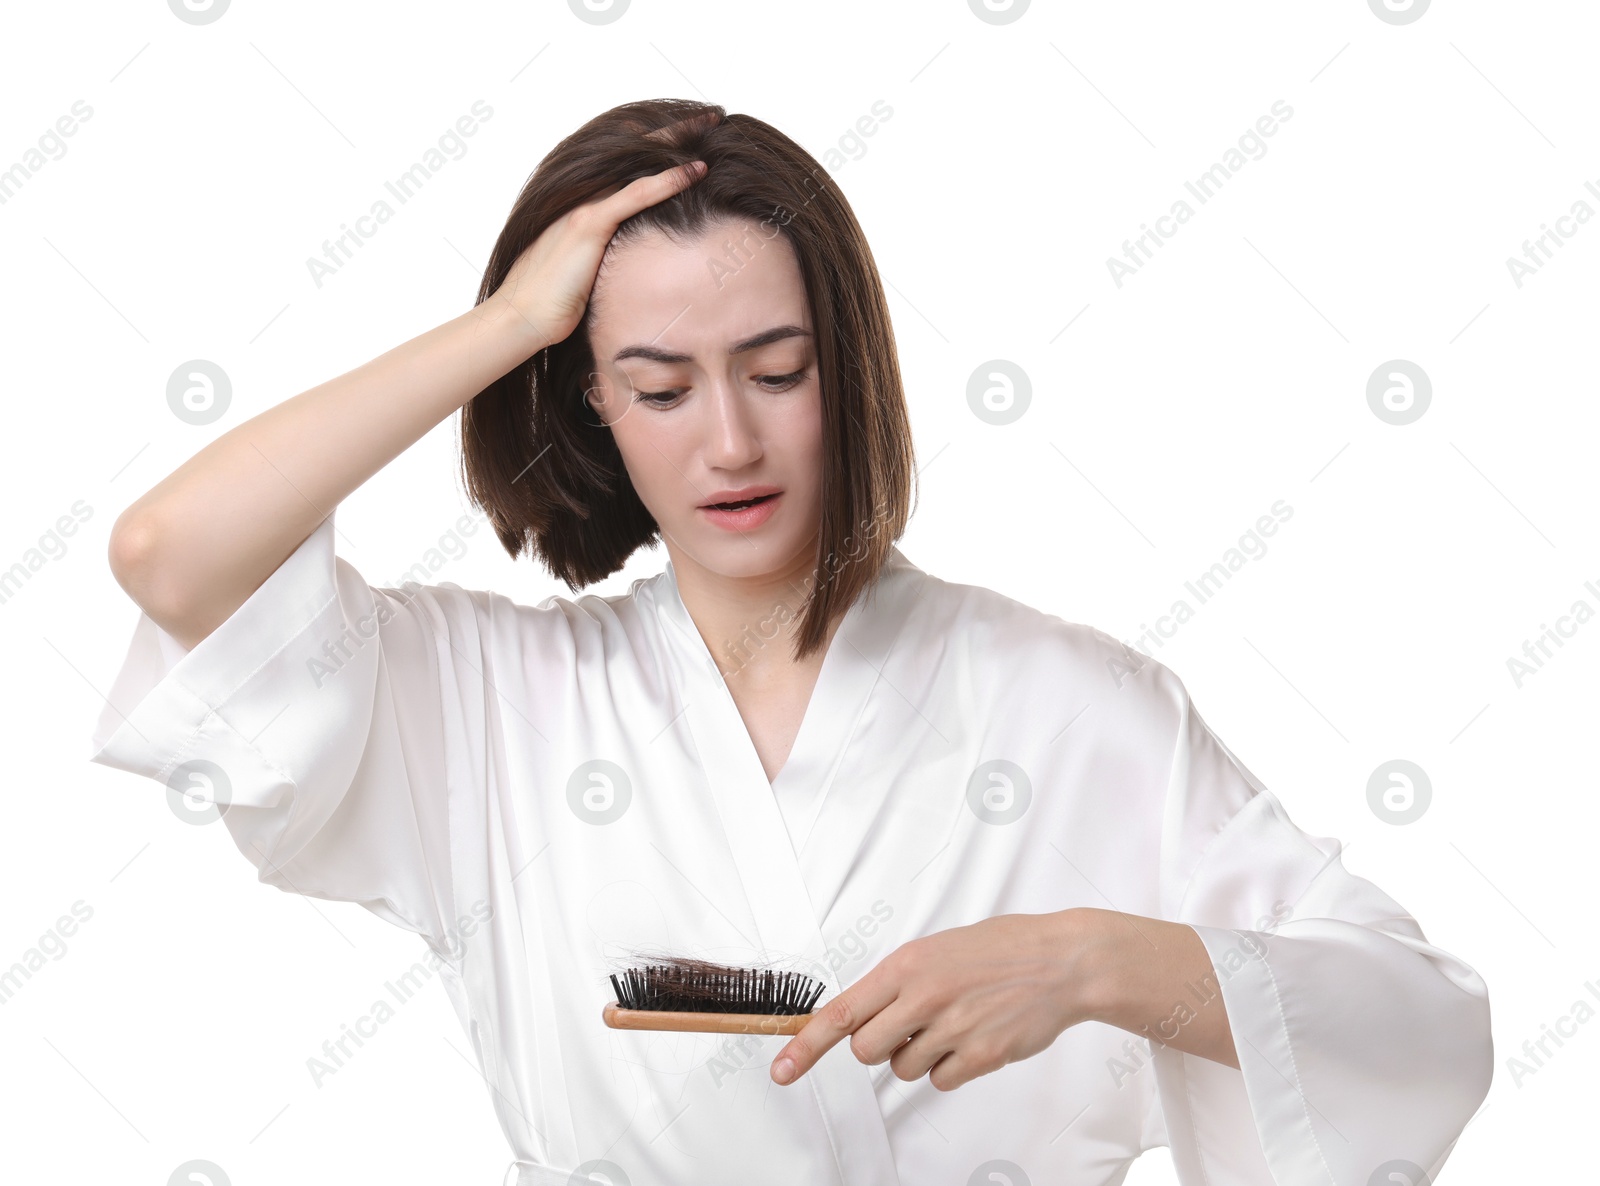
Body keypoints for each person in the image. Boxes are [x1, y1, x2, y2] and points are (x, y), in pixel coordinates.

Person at [89, 99, 1492, 1186]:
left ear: (851, 366)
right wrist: (508, 320)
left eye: (778, 370)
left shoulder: (1069, 703)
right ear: (588, 404)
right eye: (658, 385)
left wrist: (1091, 960)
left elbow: (1424, 1022)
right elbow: (169, 551)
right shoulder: (484, 703)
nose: (733, 441)